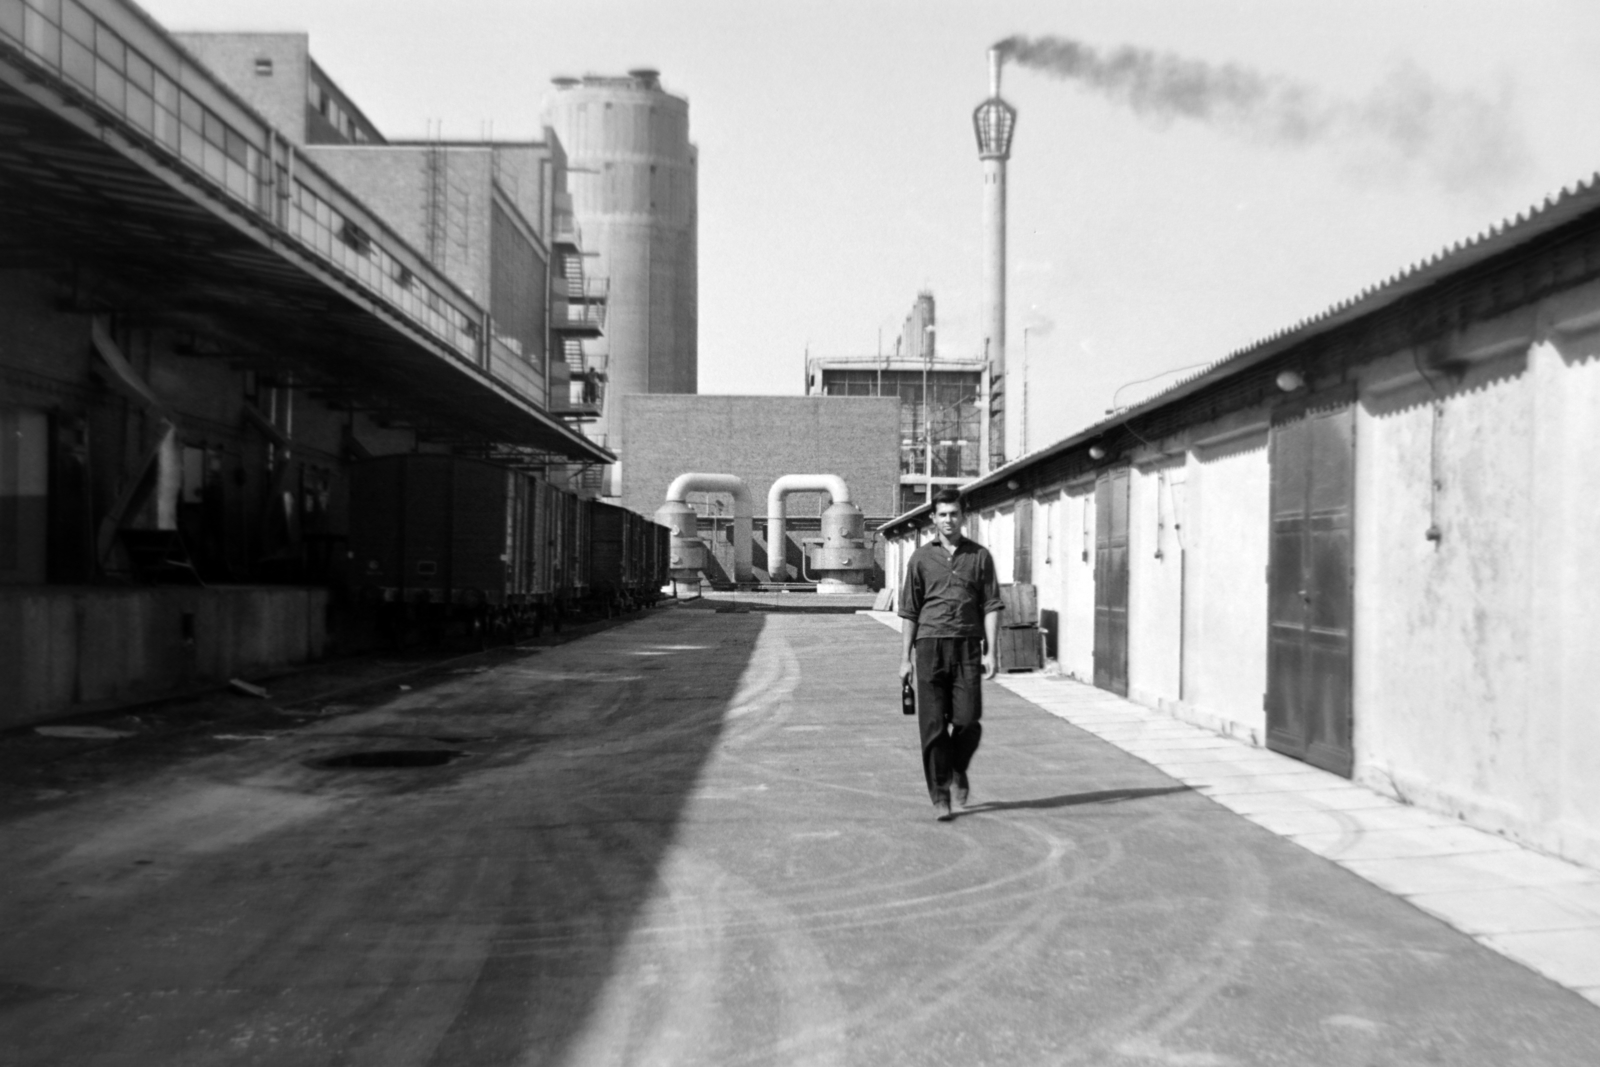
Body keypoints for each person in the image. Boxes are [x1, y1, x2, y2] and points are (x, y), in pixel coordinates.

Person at [897, 488, 1004, 821]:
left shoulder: (980, 556)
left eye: (954, 513)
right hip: (929, 646)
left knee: (968, 720)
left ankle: (958, 767)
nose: (948, 519)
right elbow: (910, 611)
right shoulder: (919, 559)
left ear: (963, 516)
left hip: (967, 646)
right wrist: (905, 659)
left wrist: (992, 651)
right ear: (933, 518)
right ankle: (940, 794)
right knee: (932, 725)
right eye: (942, 514)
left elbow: (991, 605)